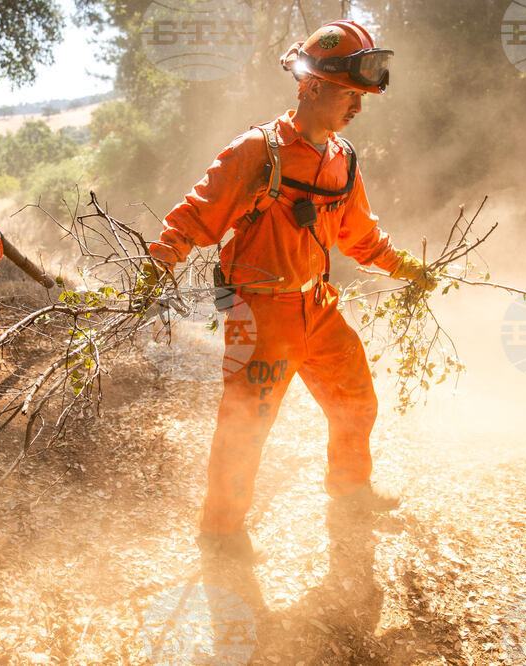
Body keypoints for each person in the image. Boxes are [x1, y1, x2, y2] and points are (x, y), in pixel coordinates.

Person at [145, 20, 435, 562]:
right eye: (350, 94)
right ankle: (221, 531)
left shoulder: (341, 159)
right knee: (245, 425)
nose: (358, 108)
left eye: (363, 97)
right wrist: (157, 265)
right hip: (261, 313)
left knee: (356, 401)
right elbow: (195, 216)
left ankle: (350, 494)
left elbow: (361, 236)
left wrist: (406, 267)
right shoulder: (257, 151)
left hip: (318, 306)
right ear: (313, 86)